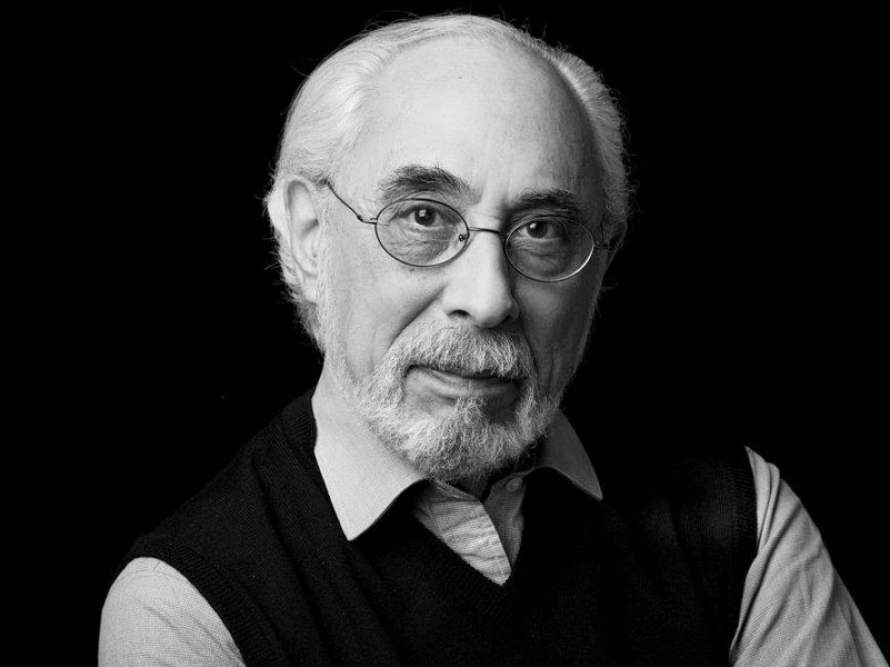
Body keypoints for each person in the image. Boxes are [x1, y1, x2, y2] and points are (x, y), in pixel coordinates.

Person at [99, 13, 886, 666]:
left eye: (541, 229)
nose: (488, 298)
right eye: (423, 217)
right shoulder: (189, 609)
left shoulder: (743, 515)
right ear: (309, 238)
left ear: (601, 263)